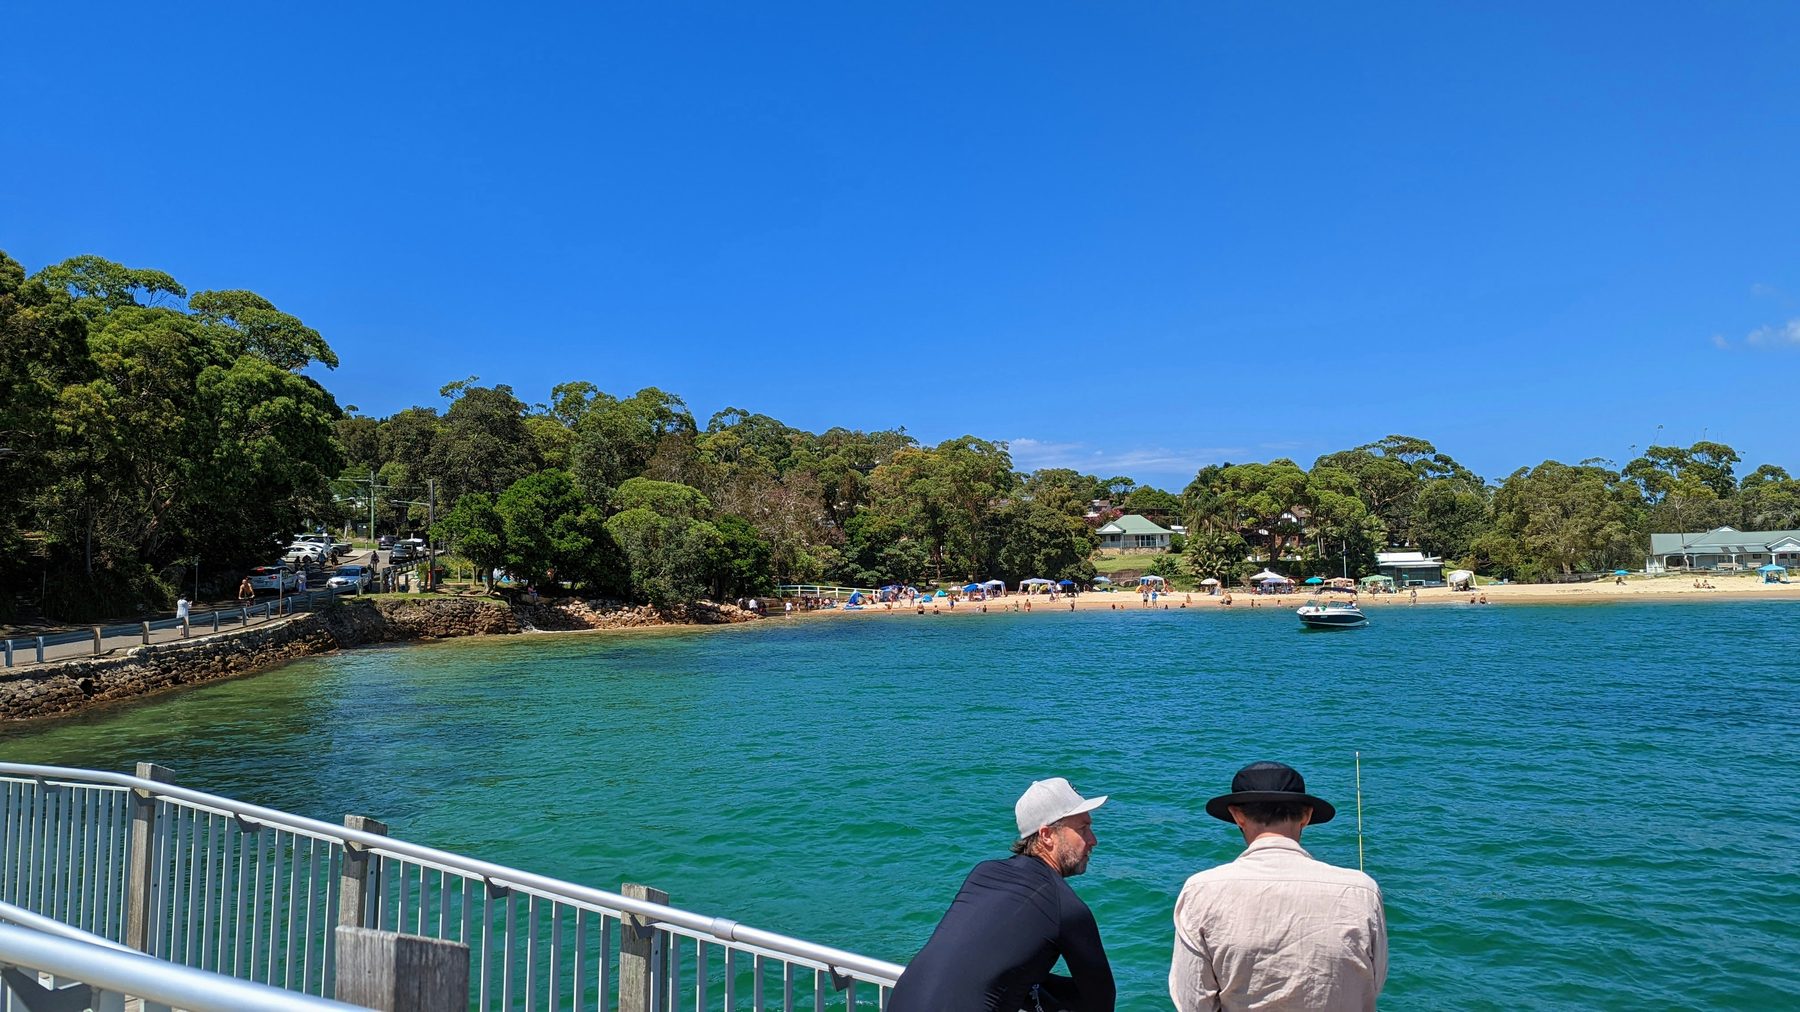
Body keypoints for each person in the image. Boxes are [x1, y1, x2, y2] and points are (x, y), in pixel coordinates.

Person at [1170, 762, 1386, 1012]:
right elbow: (1373, 983)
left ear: (1237, 815)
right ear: (1306, 815)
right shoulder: (1362, 890)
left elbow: (1193, 1001)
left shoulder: (1201, 890)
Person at [890, 778, 1116, 1012]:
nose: (1093, 840)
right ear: (1047, 835)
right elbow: (1101, 1001)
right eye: (1083, 829)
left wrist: (1029, 985)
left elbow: (976, 960)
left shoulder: (983, 873)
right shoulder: (1065, 906)